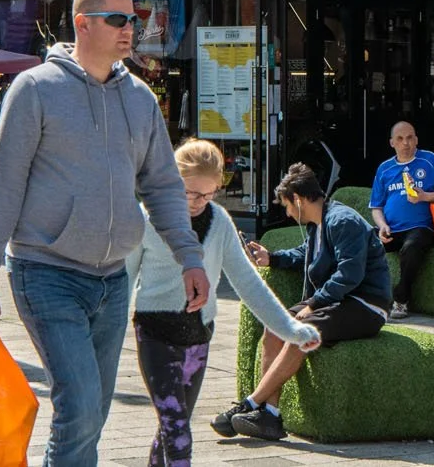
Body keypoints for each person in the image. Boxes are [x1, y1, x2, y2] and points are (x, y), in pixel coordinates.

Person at [0, 0, 208, 467]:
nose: (130, 31)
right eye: (118, 20)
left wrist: (190, 257)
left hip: (113, 280)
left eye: (134, 21)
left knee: (94, 410)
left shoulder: (139, 98)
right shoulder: (34, 89)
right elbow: (4, 184)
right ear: (83, 24)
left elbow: (162, 185)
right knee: (78, 407)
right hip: (45, 272)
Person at [120, 138, 317, 467]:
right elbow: (123, 279)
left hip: (198, 336)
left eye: (209, 194)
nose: (199, 202)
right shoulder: (146, 218)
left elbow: (247, 281)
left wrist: (290, 329)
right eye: (191, 193)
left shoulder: (220, 220)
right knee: (176, 428)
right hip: (155, 333)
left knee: (170, 427)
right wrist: (102, 339)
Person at [230, 163, 390, 440]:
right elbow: (305, 253)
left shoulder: (342, 221)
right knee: (276, 325)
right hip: (339, 304)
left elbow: (349, 274)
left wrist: (313, 304)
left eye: (288, 206)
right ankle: (269, 415)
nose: (288, 213)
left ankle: (252, 403)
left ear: (299, 200)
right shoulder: (320, 223)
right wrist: (273, 258)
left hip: (366, 305)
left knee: (299, 332)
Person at [369, 119, 434, 319]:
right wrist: (382, 226)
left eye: (410, 138)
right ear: (392, 143)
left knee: (411, 248)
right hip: (391, 229)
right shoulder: (384, 169)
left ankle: (401, 300)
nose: (406, 143)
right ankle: (362, 297)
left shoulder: (429, 160)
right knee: (361, 242)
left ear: (416, 140)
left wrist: (425, 196)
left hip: (421, 227)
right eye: (400, 139)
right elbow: (376, 207)